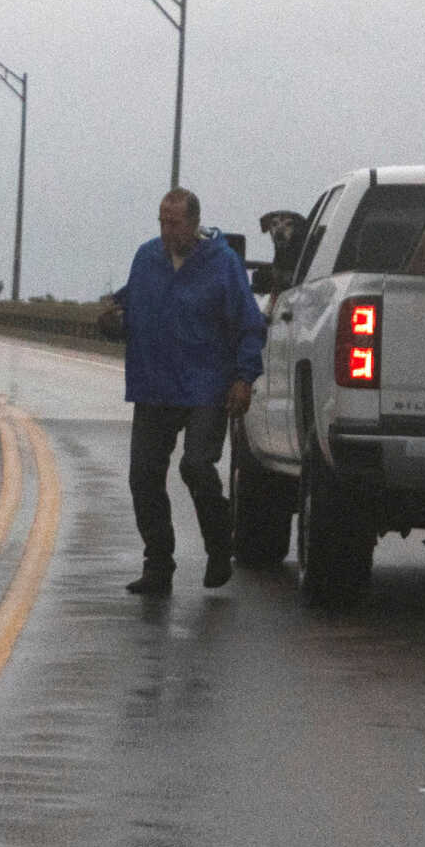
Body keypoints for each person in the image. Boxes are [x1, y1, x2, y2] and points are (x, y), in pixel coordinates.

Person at [101, 188, 267, 597]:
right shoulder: (146, 258)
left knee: (196, 466)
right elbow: (127, 304)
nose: (166, 230)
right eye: (161, 221)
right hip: (153, 385)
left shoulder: (222, 264)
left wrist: (244, 378)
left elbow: (249, 325)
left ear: (193, 224)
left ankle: (218, 546)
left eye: (173, 222)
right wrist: (111, 317)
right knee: (143, 476)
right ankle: (158, 564)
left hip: (204, 386)